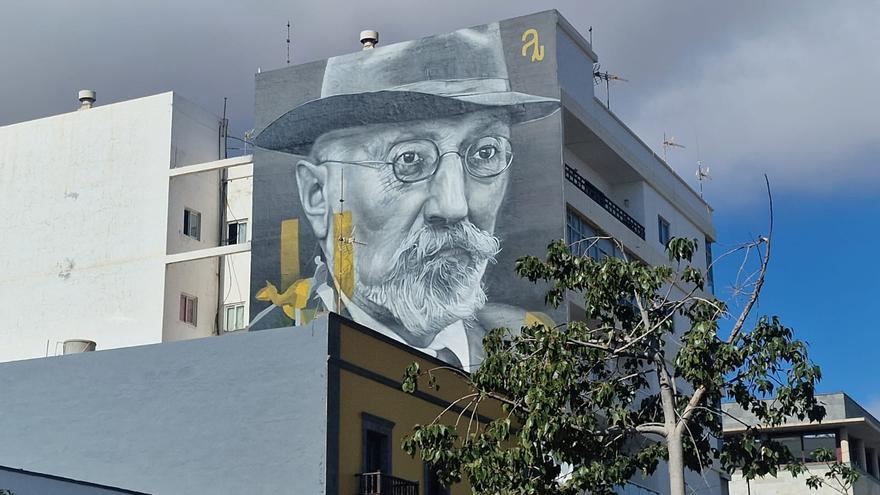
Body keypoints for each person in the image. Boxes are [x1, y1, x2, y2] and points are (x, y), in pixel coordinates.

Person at [254, 23, 559, 368]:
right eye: (409, 160)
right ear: (318, 194)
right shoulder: (272, 349)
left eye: (485, 153)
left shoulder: (528, 347)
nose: (454, 205)